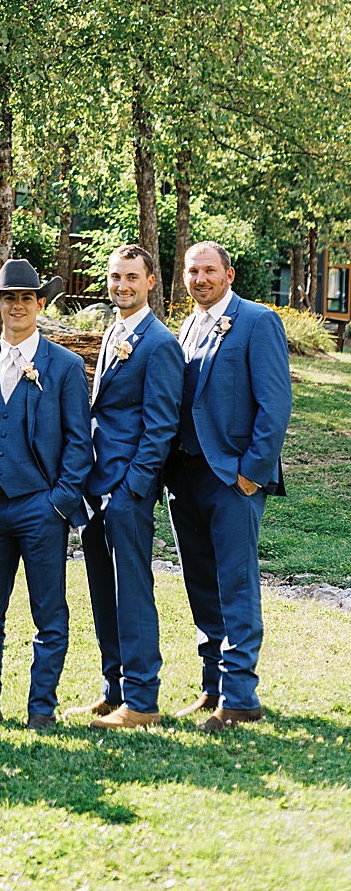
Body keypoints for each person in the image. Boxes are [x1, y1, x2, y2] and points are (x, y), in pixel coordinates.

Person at [0, 258, 92, 731]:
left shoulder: (65, 365)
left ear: (40, 304)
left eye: (25, 298)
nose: (16, 306)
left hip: (42, 507)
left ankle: (41, 709)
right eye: (7, 298)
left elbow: (80, 441)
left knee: (49, 613)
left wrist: (60, 501)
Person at [165, 240, 292, 729]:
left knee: (235, 586)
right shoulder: (189, 325)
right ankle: (213, 687)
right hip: (186, 478)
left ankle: (241, 698)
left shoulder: (257, 322)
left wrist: (249, 474)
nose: (200, 279)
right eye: (192, 271)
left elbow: (275, 405)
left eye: (209, 271)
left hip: (231, 481)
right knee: (201, 587)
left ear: (230, 274)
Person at [73, 245, 184, 729]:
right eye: (115, 276)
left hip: (126, 492)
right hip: (96, 485)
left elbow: (161, 426)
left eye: (131, 277)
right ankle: (113, 689)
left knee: (133, 592)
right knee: (103, 589)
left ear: (151, 281)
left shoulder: (159, 343)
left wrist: (132, 489)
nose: (121, 285)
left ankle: (142, 701)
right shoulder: (115, 331)